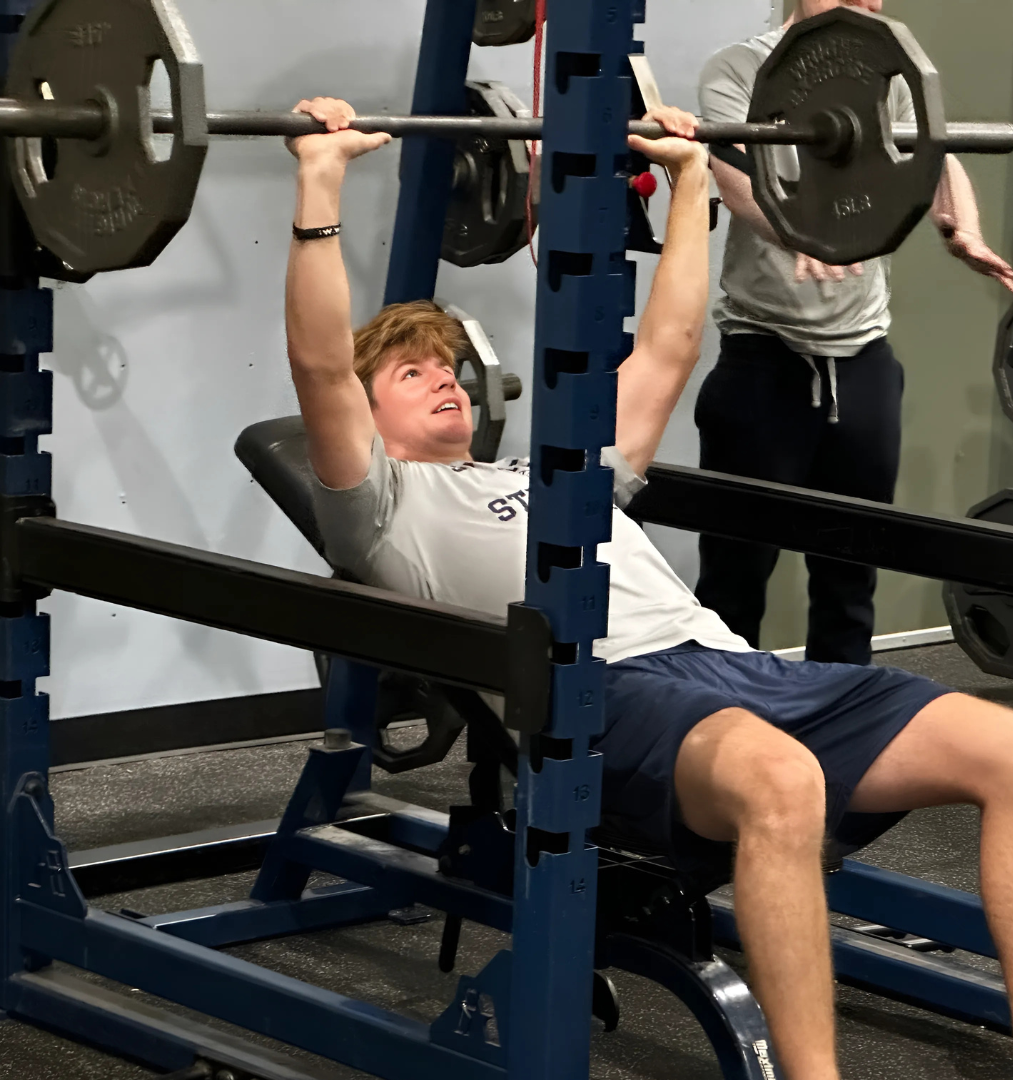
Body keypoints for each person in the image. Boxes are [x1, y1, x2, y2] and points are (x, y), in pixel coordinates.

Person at [282, 97, 1013, 1080]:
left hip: (730, 668)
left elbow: (666, 350)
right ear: (368, 417)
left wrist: (691, 180)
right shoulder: (378, 507)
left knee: (1003, 748)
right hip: (602, 700)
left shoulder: (549, 473)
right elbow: (321, 363)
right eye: (411, 374)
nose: (445, 378)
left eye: (449, 365)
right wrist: (319, 180)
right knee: (781, 782)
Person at [696, 0, 1013, 665]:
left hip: (864, 357)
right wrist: (801, 230)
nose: (868, 3)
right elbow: (733, 175)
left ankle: (841, 729)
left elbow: (932, 149)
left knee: (851, 569)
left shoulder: (880, 65)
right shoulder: (739, 67)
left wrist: (963, 229)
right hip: (764, 355)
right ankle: (718, 729)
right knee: (736, 574)